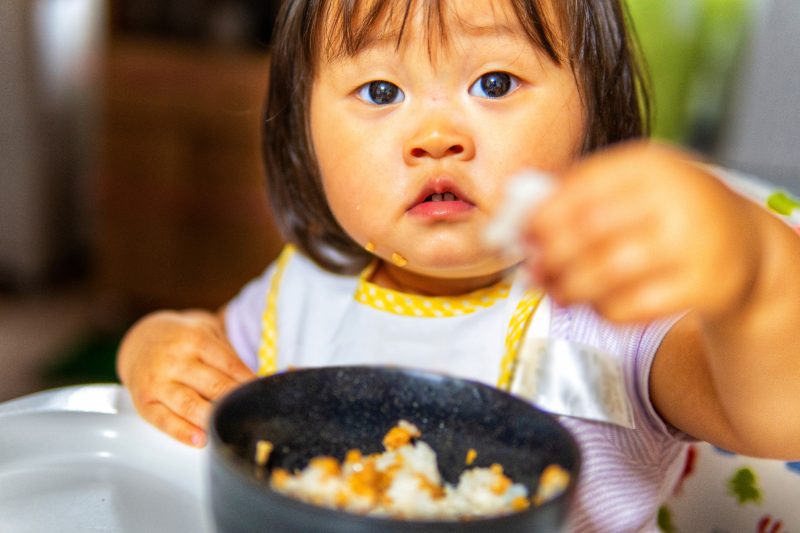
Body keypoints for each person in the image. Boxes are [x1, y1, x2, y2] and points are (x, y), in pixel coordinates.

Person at [116, 0, 800, 530]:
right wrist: (153, 345)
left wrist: (754, 276)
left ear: (595, 106)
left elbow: (780, 412)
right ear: (300, 124)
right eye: (381, 92)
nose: (436, 137)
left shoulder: (607, 315)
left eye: (494, 82)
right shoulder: (302, 291)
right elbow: (203, 362)